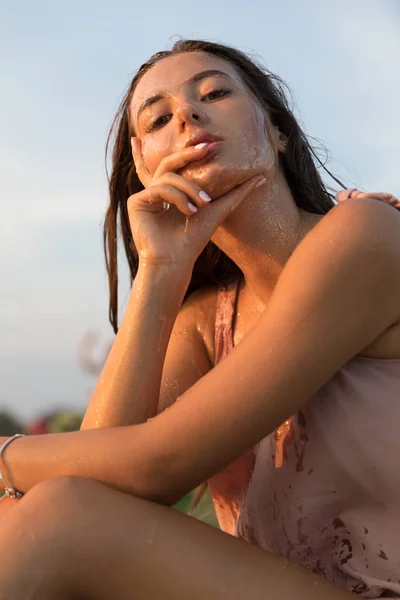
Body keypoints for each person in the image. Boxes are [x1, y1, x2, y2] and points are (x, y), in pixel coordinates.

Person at [0, 39, 399, 600]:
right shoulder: (208, 319)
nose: (187, 115)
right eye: (159, 118)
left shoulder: (368, 235)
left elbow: (157, 464)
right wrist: (161, 272)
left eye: (215, 92)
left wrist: (4, 455)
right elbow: (94, 479)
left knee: (58, 520)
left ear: (278, 130)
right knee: (28, 516)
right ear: (144, 163)